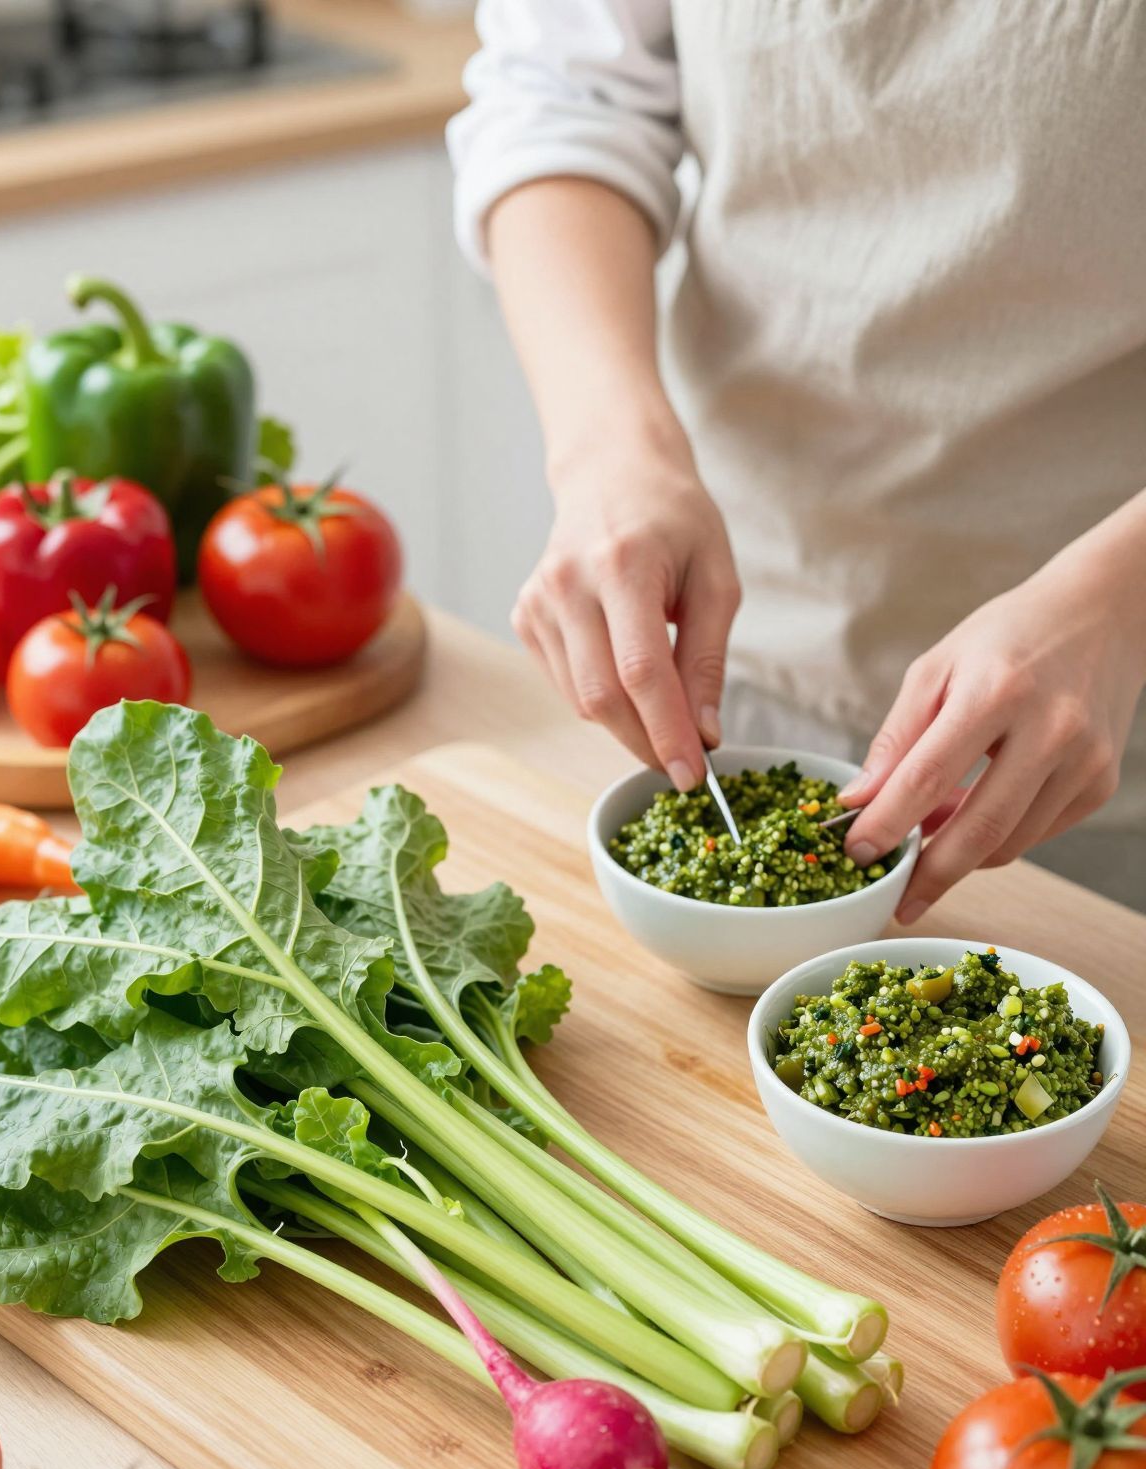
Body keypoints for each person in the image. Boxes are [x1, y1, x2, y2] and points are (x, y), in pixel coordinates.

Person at [447, 1, 1146, 919]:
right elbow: (562, 93)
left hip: (1110, 718)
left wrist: (1120, 597)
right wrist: (610, 451)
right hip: (748, 625)